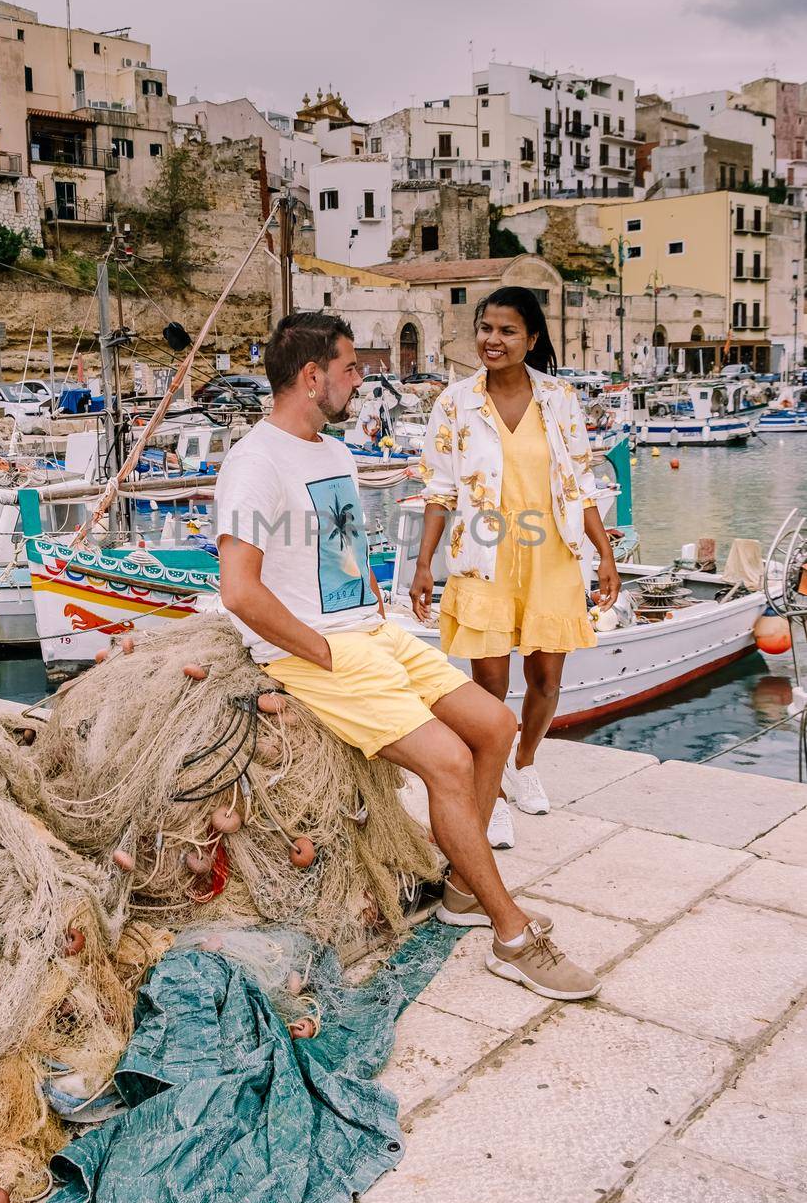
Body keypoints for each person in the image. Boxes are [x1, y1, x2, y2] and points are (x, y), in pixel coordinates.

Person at [215, 310, 599, 1002]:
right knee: (449, 761)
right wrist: (320, 650)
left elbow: (332, 543)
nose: (361, 381)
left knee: (495, 727)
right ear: (312, 377)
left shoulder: (332, 453)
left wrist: (367, 598)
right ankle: (510, 935)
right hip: (317, 652)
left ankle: (459, 888)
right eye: (350, 368)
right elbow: (239, 590)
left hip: (372, 631)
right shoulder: (254, 463)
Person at [410, 287, 620, 851]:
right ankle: (492, 797)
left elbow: (581, 483)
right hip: (484, 555)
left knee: (547, 678)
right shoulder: (453, 403)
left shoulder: (560, 398)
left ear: (531, 339)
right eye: (485, 329)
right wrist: (424, 562)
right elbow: (439, 490)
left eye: (506, 331)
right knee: (489, 687)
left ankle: (523, 763)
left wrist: (604, 555)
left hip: (552, 552)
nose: (492, 341)